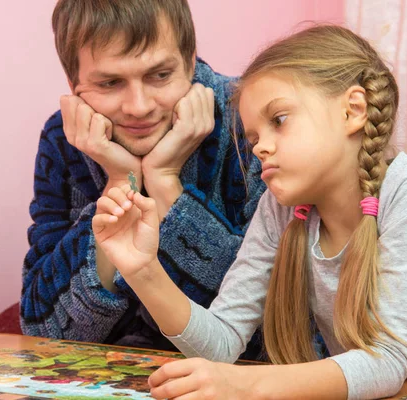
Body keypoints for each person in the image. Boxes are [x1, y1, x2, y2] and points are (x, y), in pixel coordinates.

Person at [93, 25, 407, 399]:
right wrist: (142, 270)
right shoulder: (281, 209)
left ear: (353, 110)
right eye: (254, 138)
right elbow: (221, 343)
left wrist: (243, 384)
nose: (260, 149)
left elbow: (386, 361)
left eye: (279, 121)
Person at [20, 0, 266, 355]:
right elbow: (43, 332)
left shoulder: (253, 119)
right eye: (109, 83)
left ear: (190, 60)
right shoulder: (65, 138)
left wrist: (166, 183)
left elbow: (271, 327)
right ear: (74, 84)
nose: (139, 106)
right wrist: (121, 181)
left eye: (160, 75)